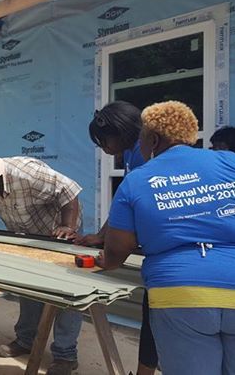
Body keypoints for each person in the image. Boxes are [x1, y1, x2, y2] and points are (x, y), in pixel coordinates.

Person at [99, 101, 235, 375]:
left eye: (142, 138)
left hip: (179, 293)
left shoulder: (138, 179)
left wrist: (106, 261)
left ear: (153, 139)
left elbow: (119, 246)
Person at [0, 157, 82, 375]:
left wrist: (68, 226)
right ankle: (26, 340)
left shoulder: (27, 174)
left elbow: (69, 190)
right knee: (29, 289)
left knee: (67, 294)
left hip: (57, 234)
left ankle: (65, 356)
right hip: (28, 239)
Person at [78, 100, 160, 375]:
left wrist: (109, 255)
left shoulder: (143, 155)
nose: (103, 148)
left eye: (103, 141)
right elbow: (124, 204)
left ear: (121, 132)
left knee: (158, 322)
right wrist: (100, 235)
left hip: (168, 262)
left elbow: (133, 214)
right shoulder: (134, 153)